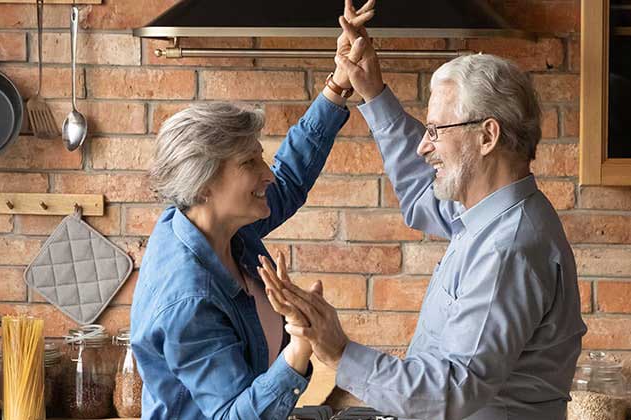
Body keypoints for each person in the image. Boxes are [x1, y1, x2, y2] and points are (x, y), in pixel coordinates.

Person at [259, 13, 587, 420]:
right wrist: (372, 92)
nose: (423, 147)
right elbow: (421, 192)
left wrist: (340, 352)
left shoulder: (507, 249)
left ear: (487, 136)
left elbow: (452, 388)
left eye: (435, 131)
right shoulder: (487, 216)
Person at [126, 2, 377, 419]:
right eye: (249, 164)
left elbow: (289, 177)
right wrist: (300, 344)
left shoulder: (217, 227)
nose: (268, 174)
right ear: (203, 184)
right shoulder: (188, 299)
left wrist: (337, 84)